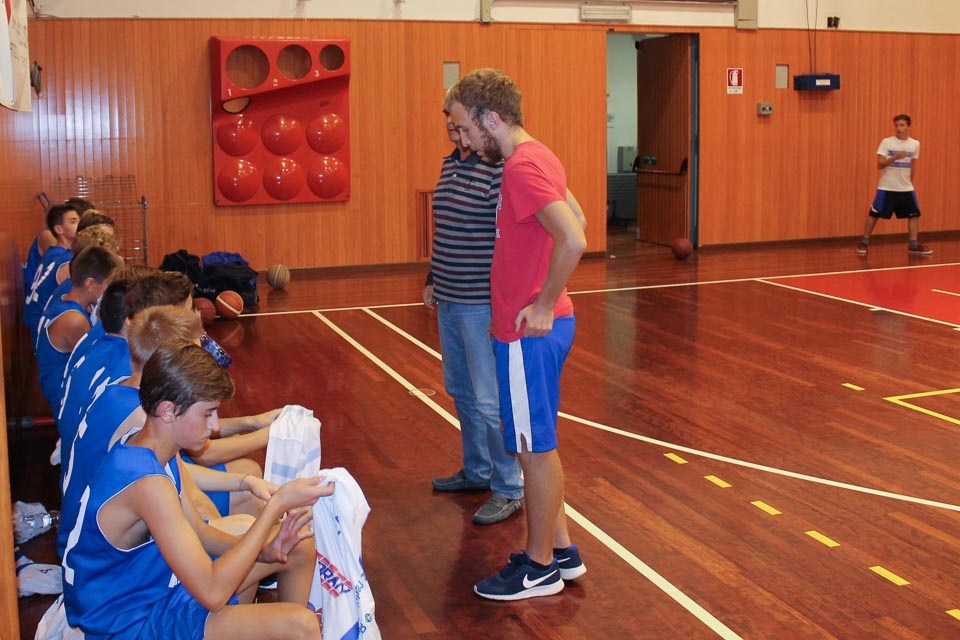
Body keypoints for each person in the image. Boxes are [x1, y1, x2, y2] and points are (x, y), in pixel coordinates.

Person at [62, 341, 330, 639]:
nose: (214, 426)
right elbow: (212, 593)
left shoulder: (153, 447)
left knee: (297, 546)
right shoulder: (147, 483)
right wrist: (275, 507)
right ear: (168, 411)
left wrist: (266, 551)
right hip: (130, 624)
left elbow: (202, 534)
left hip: (154, 594)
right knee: (301, 625)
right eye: (207, 413)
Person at [447, 68, 588, 601]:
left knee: (534, 451)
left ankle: (539, 567)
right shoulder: (537, 156)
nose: (462, 141)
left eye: (465, 128)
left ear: (490, 118)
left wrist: (543, 302)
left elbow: (573, 238)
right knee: (535, 447)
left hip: (529, 334)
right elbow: (577, 216)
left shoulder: (522, 167)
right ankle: (563, 551)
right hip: (528, 330)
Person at [424, 95, 524, 526]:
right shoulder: (449, 165)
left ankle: (510, 486)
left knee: (487, 400)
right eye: (449, 120)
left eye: (459, 121)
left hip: (480, 303)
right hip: (449, 297)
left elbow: (511, 234)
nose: (453, 127)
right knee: (460, 391)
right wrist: (433, 277)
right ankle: (477, 470)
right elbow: (445, 228)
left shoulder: (498, 168)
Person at [35, 246, 123, 413]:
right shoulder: (74, 320)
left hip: (60, 387)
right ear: (90, 284)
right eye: (109, 284)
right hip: (63, 398)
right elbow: (96, 362)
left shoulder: (65, 300)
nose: (111, 291)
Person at [857, 114, 931, 256]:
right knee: (874, 214)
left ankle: (913, 245)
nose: (898, 128)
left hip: (906, 188)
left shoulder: (915, 144)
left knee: (914, 214)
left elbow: (912, 165)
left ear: (908, 126)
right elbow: (880, 164)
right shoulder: (887, 142)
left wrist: (910, 182)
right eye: (896, 125)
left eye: (902, 125)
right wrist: (895, 157)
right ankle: (864, 242)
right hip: (887, 187)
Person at [24, 203, 82, 343]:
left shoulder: (53, 252)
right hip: (41, 325)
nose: (79, 225)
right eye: (73, 221)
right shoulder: (65, 261)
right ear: (59, 229)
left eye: (79, 220)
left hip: (36, 319)